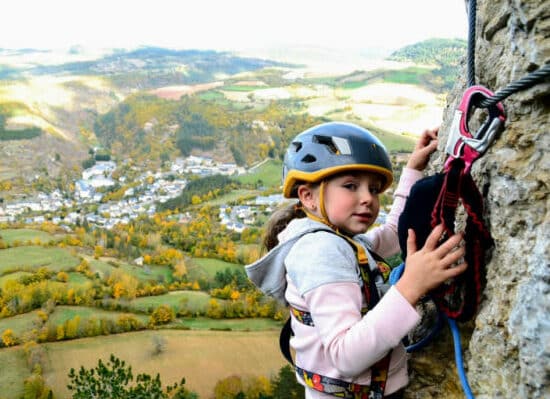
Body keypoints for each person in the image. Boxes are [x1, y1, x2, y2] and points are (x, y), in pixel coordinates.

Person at [245, 121, 468, 399]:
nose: (368, 199)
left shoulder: (340, 239)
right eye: (351, 186)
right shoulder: (320, 251)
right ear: (308, 196)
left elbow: (393, 234)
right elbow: (346, 357)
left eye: (374, 189)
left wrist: (413, 170)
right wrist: (411, 286)